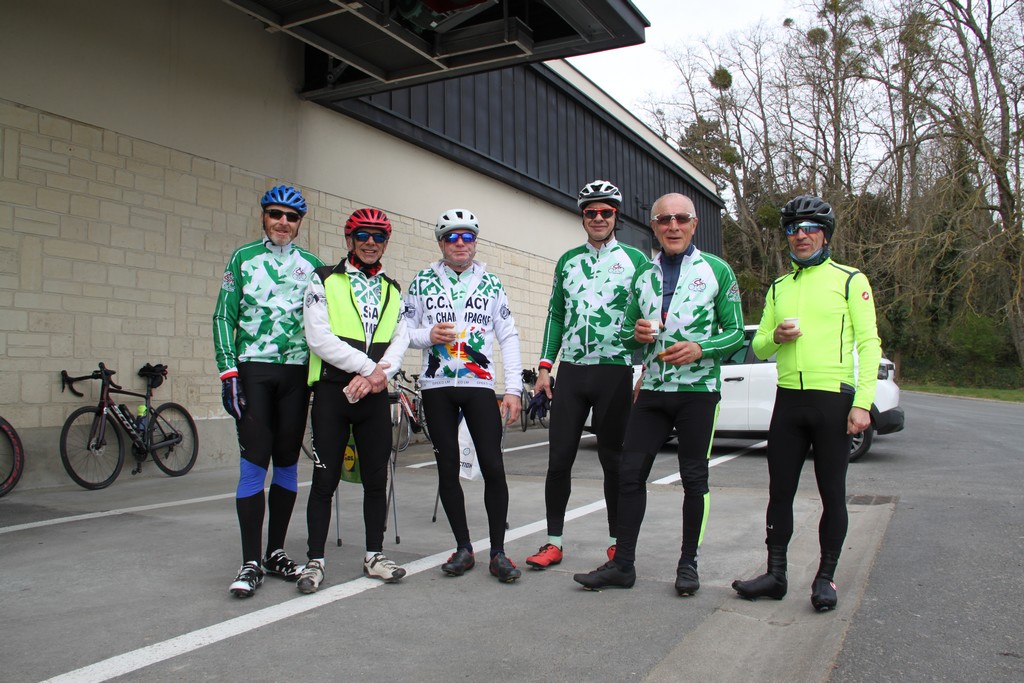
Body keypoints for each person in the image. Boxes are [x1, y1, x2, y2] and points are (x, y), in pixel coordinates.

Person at [573, 192, 744, 595]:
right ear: (654, 227)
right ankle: (623, 565)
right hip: (652, 389)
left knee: (694, 479)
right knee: (629, 474)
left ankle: (688, 565)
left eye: (681, 219)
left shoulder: (717, 270)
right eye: (664, 220)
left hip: (697, 390)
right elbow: (623, 336)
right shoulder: (643, 276)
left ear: (694, 224)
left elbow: (737, 332)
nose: (673, 226)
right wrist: (635, 335)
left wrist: (702, 348)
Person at [732, 195, 880, 612]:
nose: (801, 235)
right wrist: (776, 337)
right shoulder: (779, 287)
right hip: (789, 401)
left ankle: (825, 578)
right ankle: (775, 575)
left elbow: (869, 344)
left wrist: (863, 403)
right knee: (779, 492)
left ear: (825, 235)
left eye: (810, 228)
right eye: (793, 229)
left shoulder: (850, 280)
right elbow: (760, 347)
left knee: (832, 493)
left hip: (833, 399)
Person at [525, 180, 649, 570]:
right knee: (559, 459)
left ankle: (615, 544)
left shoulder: (636, 260)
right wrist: (545, 367)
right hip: (573, 373)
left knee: (614, 462)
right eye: (591, 212)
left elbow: (651, 316)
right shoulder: (567, 261)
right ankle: (553, 542)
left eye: (605, 212)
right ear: (582, 217)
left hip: (615, 371)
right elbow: (556, 316)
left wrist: (647, 367)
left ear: (616, 216)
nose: (598, 218)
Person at [213, 185, 325, 598]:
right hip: (253, 372)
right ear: (263, 217)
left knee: (287, 464)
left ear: (300, 223)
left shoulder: (313, 267)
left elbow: (325, 324)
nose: (283, 222)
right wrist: (228, 371)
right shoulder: (242, 258)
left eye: (291, 217)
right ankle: (249, 561)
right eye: (275, 214)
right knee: (254, 464)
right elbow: (223, 316)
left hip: (296, 375)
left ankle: (275, 551)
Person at [403, 208, 524, 583]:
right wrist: (427, 336)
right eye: (451, 237)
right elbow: (403, 331)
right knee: (447, 468)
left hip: (479, 386)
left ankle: (498, 552)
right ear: (441, 243)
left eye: (467, 236)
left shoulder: (491, 282)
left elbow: (508, 336)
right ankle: (463, 548)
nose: (460, 243)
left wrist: (514, 389)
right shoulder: (422, 280)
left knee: (493, 467)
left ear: (475, 242)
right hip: (436, 387)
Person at [296, 208, 410, 593]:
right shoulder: (323, 279)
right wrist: (368, 368)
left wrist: (379, 376)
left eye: (379, 237)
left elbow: (400, 340)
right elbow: (318, 337)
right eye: (363, 235)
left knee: (377, 478)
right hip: (333, 391)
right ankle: (315, 560)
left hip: (374, 395)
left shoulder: (392, 288)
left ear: (386, 244)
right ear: (349, 240)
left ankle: (374, 555)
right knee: (324, 479)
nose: (370, 243)